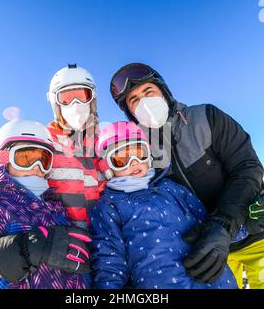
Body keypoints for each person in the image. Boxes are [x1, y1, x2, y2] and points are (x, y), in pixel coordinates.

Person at [109, 63, 264, 288]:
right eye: (134, 101)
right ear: (130, 113)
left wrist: (222, 225)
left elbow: (247, 167)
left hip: (256, 235)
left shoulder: (206, 117)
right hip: (210, 253)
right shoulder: (144, 153)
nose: (144, 103)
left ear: (164, 91)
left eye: (148, 92)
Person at [0, 64, 105, 250]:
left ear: (92, 99)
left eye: (82, 96)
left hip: (104, 243)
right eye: (66, 98)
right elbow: (9, 175)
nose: (75, 105)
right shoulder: (43, 141)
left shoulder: (108, 143)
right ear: (56, 104)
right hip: (56, 241)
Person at [90, 121, 237, 289]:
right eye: (121, 159)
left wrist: (234, 230)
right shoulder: (108, 206)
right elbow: (109, 261)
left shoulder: (170, 186)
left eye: (139, 152)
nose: (134, 162)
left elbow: (211, 224)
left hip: (215, 278)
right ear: (107, 167)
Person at [0, 120, 91, 289]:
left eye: (43, 160)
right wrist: (13, 256)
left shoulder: (57, 207)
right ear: (1, 159)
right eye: (26, 158)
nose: (37, 167)